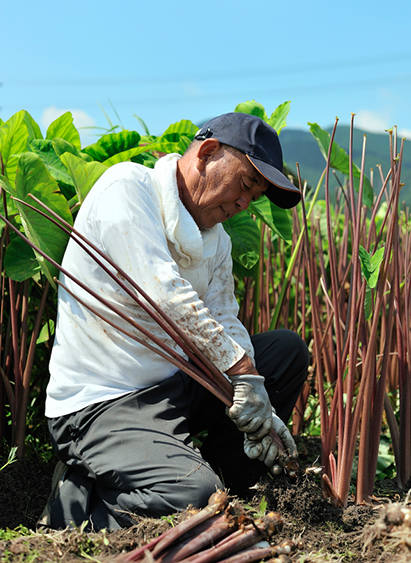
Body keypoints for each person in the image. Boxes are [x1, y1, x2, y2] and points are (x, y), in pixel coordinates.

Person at [40, 112, 309, 531]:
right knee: (192, 497)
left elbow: (224, 316)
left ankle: (230, 490)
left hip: (172, 388)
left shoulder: (215, 240)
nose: (243, 204)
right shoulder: (127, 188)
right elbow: (163, 297)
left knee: (285, 352)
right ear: (207, 152)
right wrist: (239, 372)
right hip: (103, 402)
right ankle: (77, 500)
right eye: (244, 185)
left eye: (253, 198)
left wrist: (258, 397)